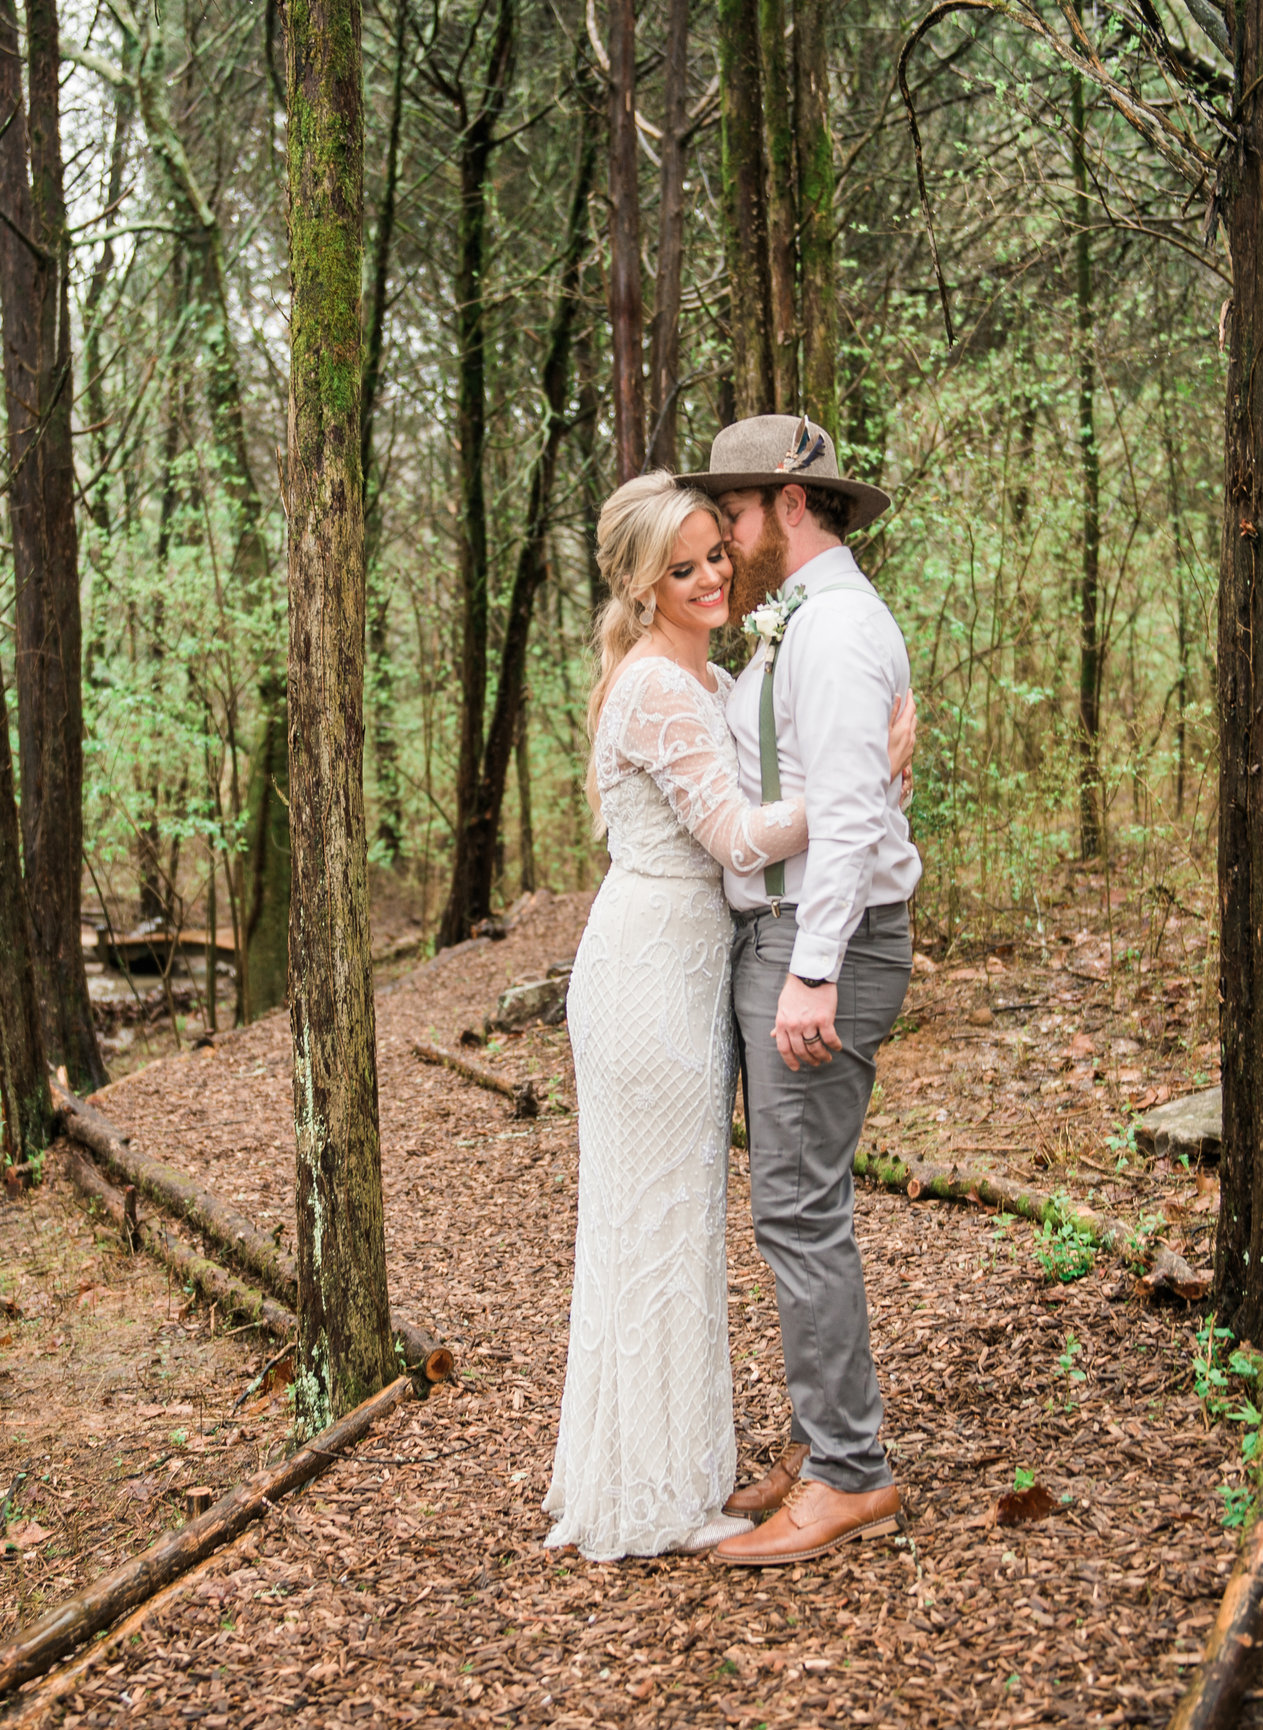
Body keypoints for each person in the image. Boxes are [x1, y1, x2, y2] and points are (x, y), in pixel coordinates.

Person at [543, 471, 914, 1563]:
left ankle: (725, 1463)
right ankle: (654, 1484)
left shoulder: (725, 659)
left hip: (699, 961)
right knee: (656, 1222)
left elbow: (762, 772)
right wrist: (867, 786)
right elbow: (739, 837)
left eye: (716, 550)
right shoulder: (662, 683)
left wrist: (855, 790)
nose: (711, 574)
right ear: (640, 581)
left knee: (689, 1220)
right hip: (655, 968)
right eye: (684, 563)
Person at [679, 415, 919, 1568]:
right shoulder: (803, 624)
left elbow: (855, 817)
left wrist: (813, 967)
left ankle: (848, 1472)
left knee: (800, 1209)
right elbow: (805, 771)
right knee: (791, 1205)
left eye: (730, 509)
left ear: (784, 499)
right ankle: (824, 1441)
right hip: (784, 935)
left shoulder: (833, 630)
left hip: (819, 941)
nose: (722, 534)